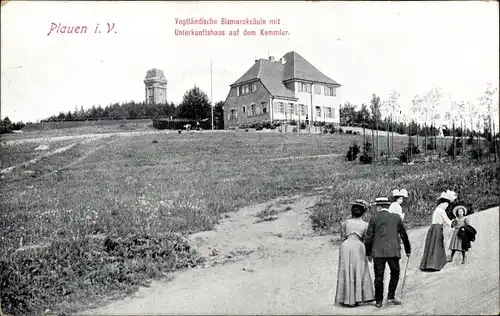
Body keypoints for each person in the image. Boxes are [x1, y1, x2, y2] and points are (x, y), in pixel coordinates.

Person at [364, 197, 411, 308]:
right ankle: (391, 296)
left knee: (378, 276)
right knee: (395, 272)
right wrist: (408, 250)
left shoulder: (374, 218)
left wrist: (368, 253)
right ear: (387, 206)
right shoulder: (396, 217)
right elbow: (403, 234)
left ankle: (379, 300)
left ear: (379, 206)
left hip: (378, 252)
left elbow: (369, 237)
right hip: (393, 250)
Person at [335, 199, 375, 307]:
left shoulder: (345, 223)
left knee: (346, 269)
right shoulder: (366, 224)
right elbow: (366, 239)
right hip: (358, 246)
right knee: (359, 270)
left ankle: (347, 298)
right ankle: (359, 297)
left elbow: (342, 237)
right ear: (363, 212)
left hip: (346, 246)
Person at [419, 190, 457, 272]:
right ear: (442, 203)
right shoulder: (441, 211)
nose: (446, 206)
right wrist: (453, 222)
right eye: (446, 204)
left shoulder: (437, 210)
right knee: (437, 244)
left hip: (433, 228)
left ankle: (428, 263)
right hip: (437, 229)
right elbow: (447, 221)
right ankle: (435, 264)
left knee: (432, 245)